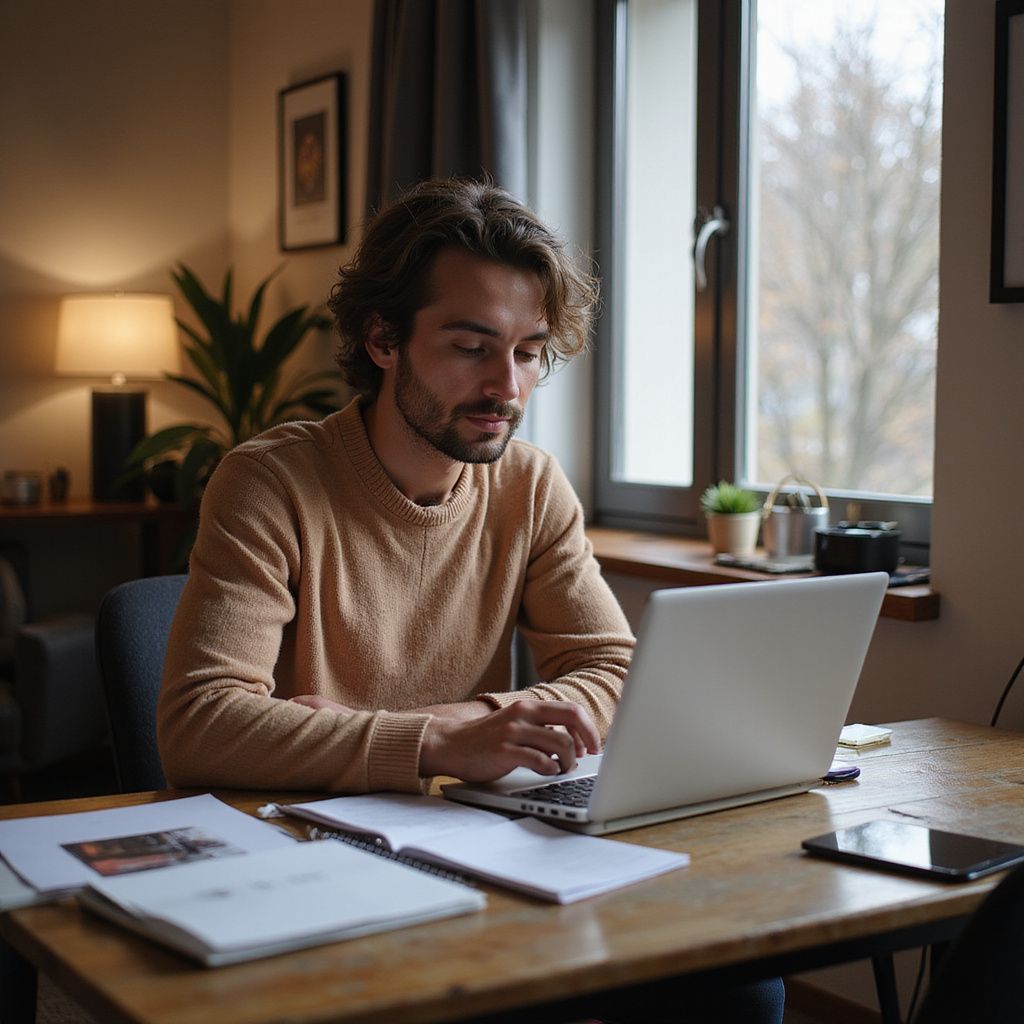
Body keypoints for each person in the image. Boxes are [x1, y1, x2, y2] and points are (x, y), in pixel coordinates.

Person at [156, 177, 783, 1024]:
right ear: (383, 339)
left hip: (473, 842)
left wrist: (475, 724)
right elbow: (199, 724)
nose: (508, 387)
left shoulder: (530, 485)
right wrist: (442, 739)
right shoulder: (269, 483)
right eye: (470, 346)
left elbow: (612, 666)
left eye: (528, 351)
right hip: (316, 860)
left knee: (741, 988)